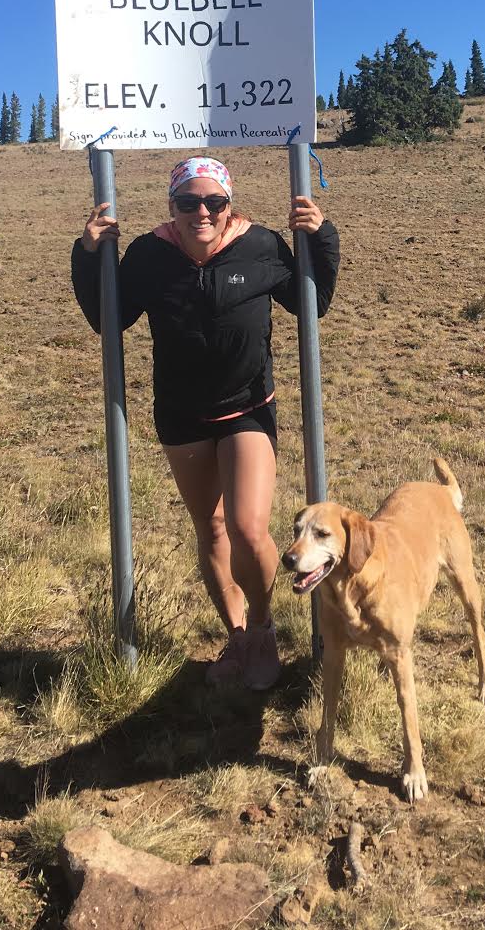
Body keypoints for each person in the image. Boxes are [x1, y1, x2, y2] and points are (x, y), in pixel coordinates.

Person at [71, 156, 340, 691]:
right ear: (171, 205)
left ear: (228, 205)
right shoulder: (149, 255)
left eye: (214, 202)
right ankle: (237, 635)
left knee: (246, 527)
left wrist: (323, 237)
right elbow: (109, 319)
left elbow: (315, 303)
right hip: (181, 413)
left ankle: (262, 629)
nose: (202, 212)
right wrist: (87, 255)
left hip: (247, 407)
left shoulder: (260, 245)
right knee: (211, 528)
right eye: (188, 202)